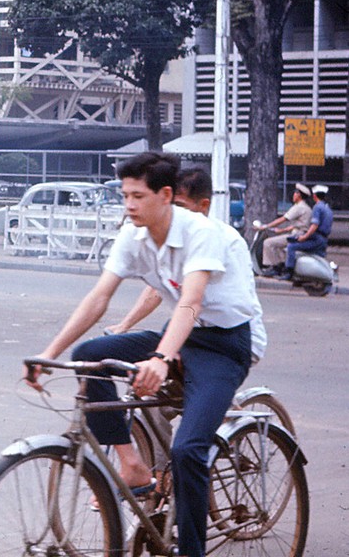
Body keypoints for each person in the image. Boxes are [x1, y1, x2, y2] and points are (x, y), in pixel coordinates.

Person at [26, 152, 262, 557]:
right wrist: (49, 354)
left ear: (165, 195)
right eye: (125, 196)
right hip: (181, 337)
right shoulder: (133, 235)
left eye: (137, 196)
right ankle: (131, 464)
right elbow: (100, 297)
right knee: (90, 355)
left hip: (225, 344)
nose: (129, 205)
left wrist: (161, 358)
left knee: (188, 450)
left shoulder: (200, 231)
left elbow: (190, 301)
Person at [105, 167, 266, 364]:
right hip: (193, 332)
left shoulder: (225, 239)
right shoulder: (175, 237)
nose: (171, 213)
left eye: (180, 206)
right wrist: (124, 325)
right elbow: (157, 288)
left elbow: (192, 298)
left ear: (204, 206)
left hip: (232, 339)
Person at [256, 183, 312, 276]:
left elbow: (282, 219)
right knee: (278, 245)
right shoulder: (306, 207)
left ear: (299, 195)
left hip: (296, 235)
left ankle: (273, 267)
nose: (293, 195)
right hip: (299, 233)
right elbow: (297, 225)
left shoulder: (299, 207)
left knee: (268, 243)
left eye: (295, 193)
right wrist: (281, 231)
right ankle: (281, 265)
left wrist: (265, 226)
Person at [280, 184, 333, 281]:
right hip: (324, 239)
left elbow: (314, 225)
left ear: (314, 196)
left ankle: (289, 273)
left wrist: (305, 237)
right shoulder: (327, 208)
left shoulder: (317, 207)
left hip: (316, 238)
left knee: (292, 246)